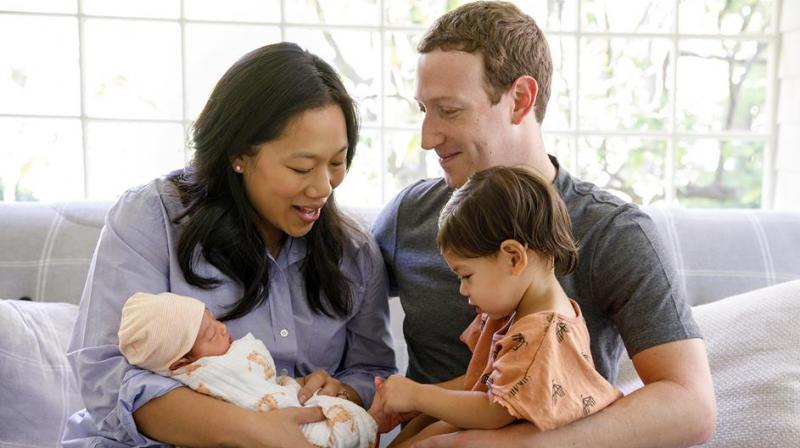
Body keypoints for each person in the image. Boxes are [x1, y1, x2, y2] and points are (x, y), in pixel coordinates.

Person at [371, 2, 716, 446]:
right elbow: (331, 303)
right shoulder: (410, 216)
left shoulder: (612, 232)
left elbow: (690, 406)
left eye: (449, 110)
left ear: (520, 99)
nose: (426, 137)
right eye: (423, 110)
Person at [63, 42, 396, 448]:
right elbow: (104, 374)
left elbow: (372, 370)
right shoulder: (153, 219)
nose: (323, 187)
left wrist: (342, 392)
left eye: (337, 163)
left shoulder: (355, 252)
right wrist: (253, 433)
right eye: (301, 167)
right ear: (238, 154)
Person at [375, 166, 622, 447]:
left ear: (514, 258)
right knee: (423, 425)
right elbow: (481, 382)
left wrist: (418, 396)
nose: (462, 289)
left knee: (428, 434)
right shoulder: (526, 313)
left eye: (466, 276)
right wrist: (417, 398)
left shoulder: (542, 334)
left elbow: (494, 411)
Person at [117, 292, 378, 448]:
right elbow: (252, 397)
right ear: (181, 363)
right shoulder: (206, 373)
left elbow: (267, 384)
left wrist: (304, 387)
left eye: (214, 319)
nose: (222, 328)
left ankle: (374, 420)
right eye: (210, 334)